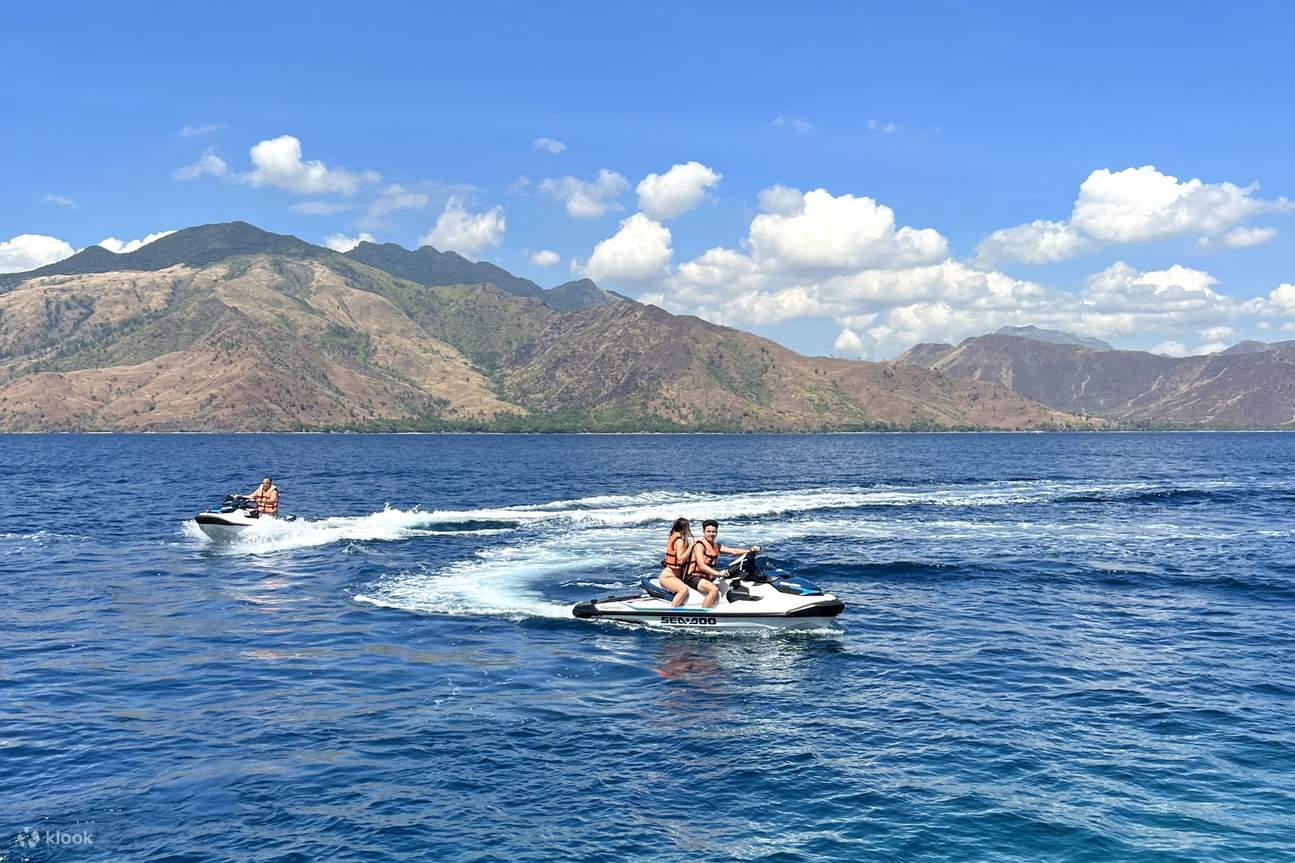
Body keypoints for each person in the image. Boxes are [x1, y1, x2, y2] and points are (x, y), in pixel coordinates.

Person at [684, 519, 759, 609]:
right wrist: (718, 573)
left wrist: (750, 551)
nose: (711, 534)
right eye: (708, 531)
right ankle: (704, 616)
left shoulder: (716, 546)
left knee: (729, 583)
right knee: (714, 590)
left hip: (707, 577)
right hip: (693, 577)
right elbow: (701, 565)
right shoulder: (699, 546)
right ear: (703, 531)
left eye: (714, 532)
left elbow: (733, 551)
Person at [659, 517, 694, 608]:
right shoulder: (679, 541)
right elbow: (680, 560)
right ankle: (672, 613)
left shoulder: (673, 537)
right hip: (668, 577)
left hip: (673, 576)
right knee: (683, 590)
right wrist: (691, 547)